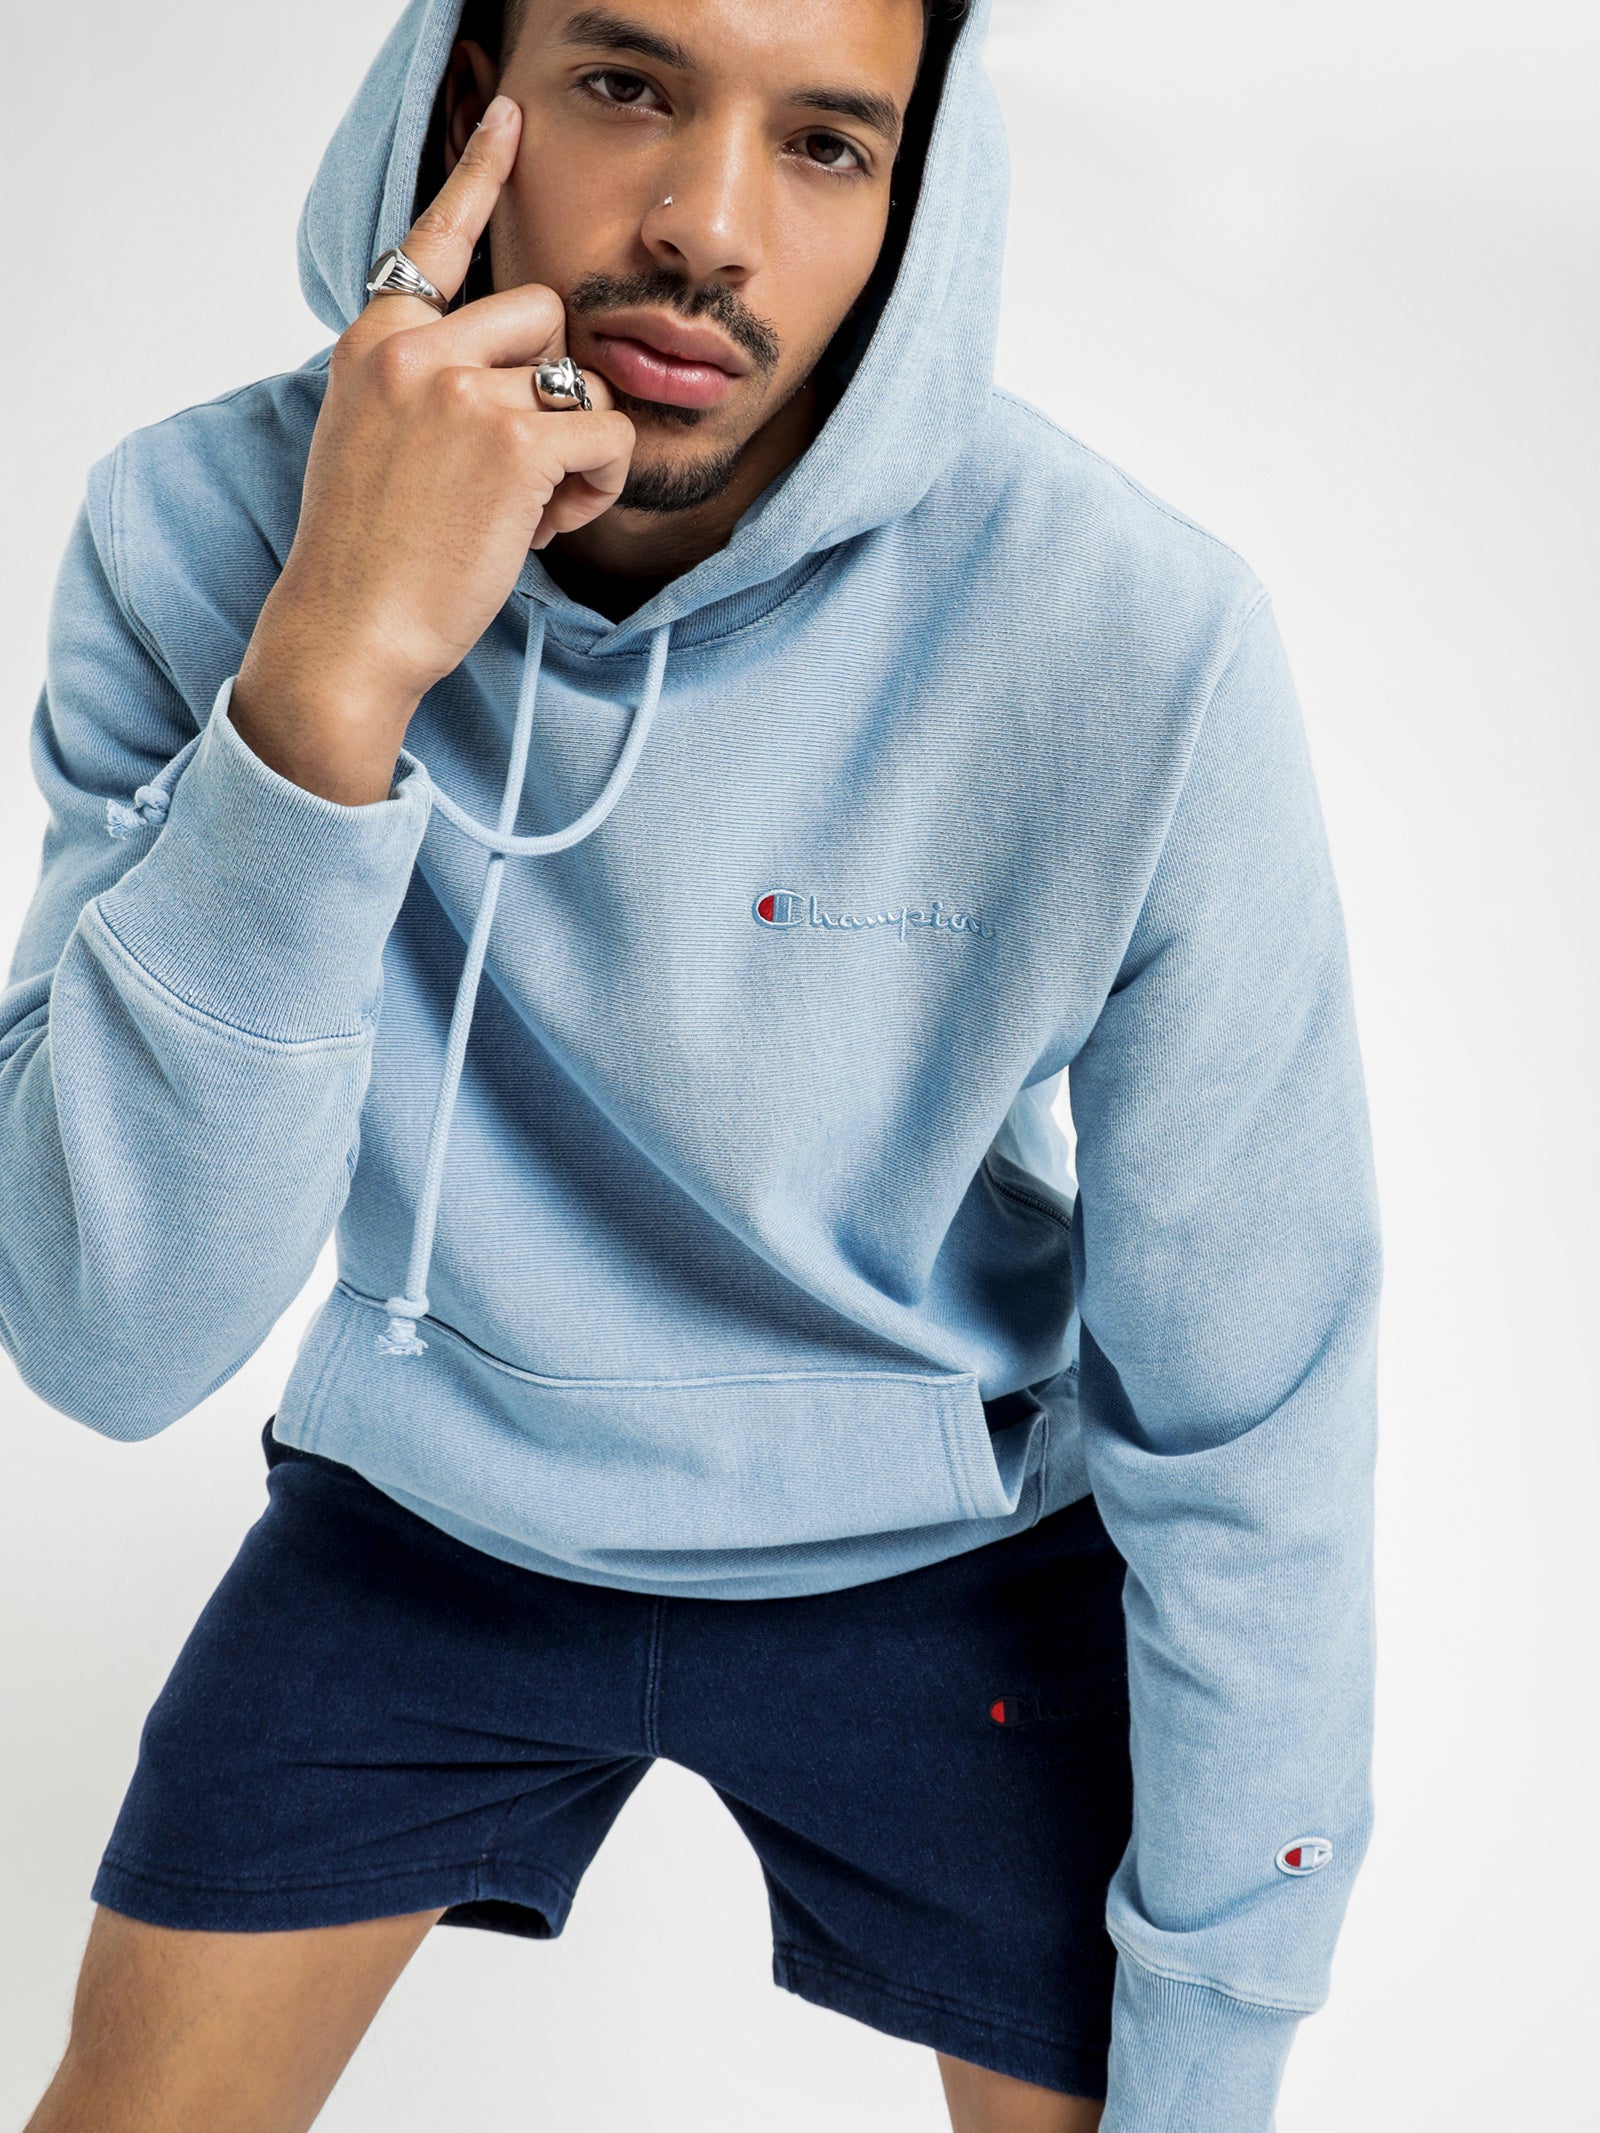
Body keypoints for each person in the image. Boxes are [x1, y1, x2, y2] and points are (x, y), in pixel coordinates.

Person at [2, 0, 1382, 2125]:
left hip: (948, 1553)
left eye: (826, 145)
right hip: (426, 1505)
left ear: (915, 200)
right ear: (473, 105)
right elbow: (108, 1336)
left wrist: (1213, 2034)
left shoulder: (1132, 637)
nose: (708, 225)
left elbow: (1251, 1411)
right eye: (628, 86)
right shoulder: (203, 532)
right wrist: (337, 662)